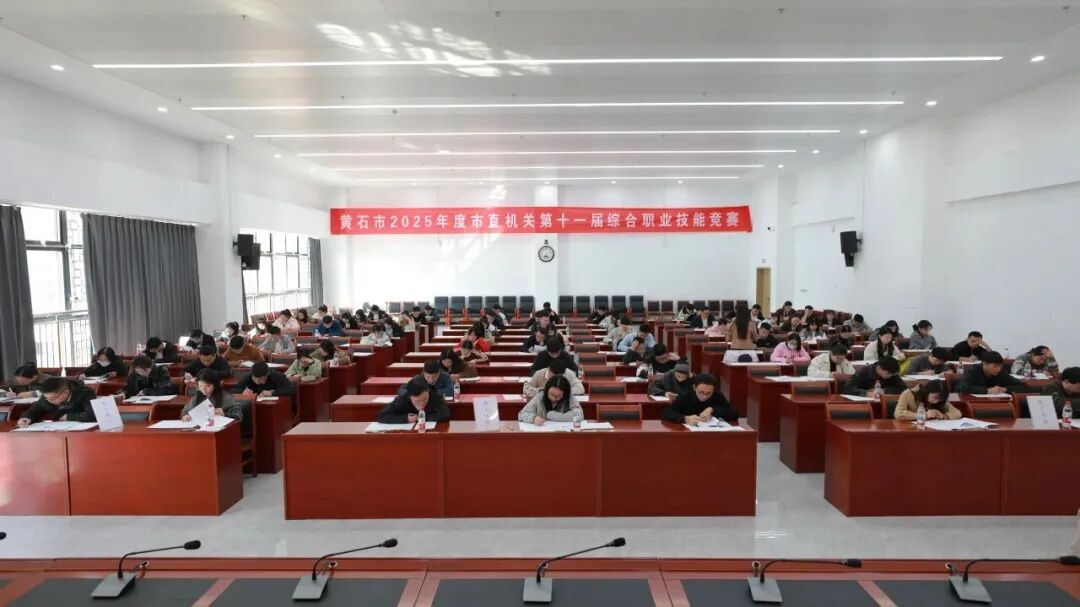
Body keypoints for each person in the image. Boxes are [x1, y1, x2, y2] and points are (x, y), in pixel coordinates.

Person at [16, 376, 98, 427]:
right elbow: (34, 410)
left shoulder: (85, 393)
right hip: (57, 430)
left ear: (65, 392)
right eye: (47, 398)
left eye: (53, 398)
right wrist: (26, 418)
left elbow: (92, 415)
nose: (49, 401)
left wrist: (68, 416)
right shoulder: (48, 396)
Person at [663, 373, 738, 424]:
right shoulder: (685, 395)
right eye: (701, 392)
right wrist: (684, 418)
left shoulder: (717, 395)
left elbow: (734, 413)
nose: (704, 396)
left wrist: (712, 409)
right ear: (694, 387)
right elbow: (667, 413)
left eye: (708, 393)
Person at [181, 369, 246, 427]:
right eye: (200, 386)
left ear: (215, 385)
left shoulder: (226, 397)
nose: (203, 389)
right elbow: (185, 410)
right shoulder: (198, 396)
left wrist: (225, 414)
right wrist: (185, 415)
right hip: (202, 429)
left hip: (222, 429)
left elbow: (239, 416)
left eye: (208, 386)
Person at [377, 376, 452, 423]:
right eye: (417, 401)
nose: (422, 404)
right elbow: (382, 416)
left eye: (425, 399)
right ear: (409, 397)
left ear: (428, 391)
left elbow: (445, 415)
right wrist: (405, 419)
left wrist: (421, 418)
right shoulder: (402, 399)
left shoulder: (434, 396)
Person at [518, 375, 583, 425]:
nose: (554, 399)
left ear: (564, 394)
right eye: (551, 394)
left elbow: (579, 415)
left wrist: (551, 415)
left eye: (558, 396)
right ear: (546, 391)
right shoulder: (540, 396)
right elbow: (521, 414)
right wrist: (533, 418)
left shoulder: (569, 397)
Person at [956, 351, 1025, 395]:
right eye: (995, 366)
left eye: (1000, 366)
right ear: (984, 364)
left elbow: (1022, 387)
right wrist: (987, 391)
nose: (998, 369)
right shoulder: (972, 371)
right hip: (971, 402)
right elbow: (963, 388)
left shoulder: (1001, 373)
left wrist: (1005, 389)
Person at [894, 379, 960, 421]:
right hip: (909, 429)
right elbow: (898, 413)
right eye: (934, 397)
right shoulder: (908, 394)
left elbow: (957, 413)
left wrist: (943, 416)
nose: (936, 402)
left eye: (940, 400)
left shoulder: (940, 400)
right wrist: (923, 415)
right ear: (927, 391)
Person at [842, 356, 906, 396]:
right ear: (879, 368)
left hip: (883, 403)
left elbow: (904, 389)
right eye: (888, 373)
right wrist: (865, 393)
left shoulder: (892, 373)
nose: (890, 376)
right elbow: (848, 388)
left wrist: (884, 391)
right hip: (864, 404)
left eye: (892, 374)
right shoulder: (863, 372)